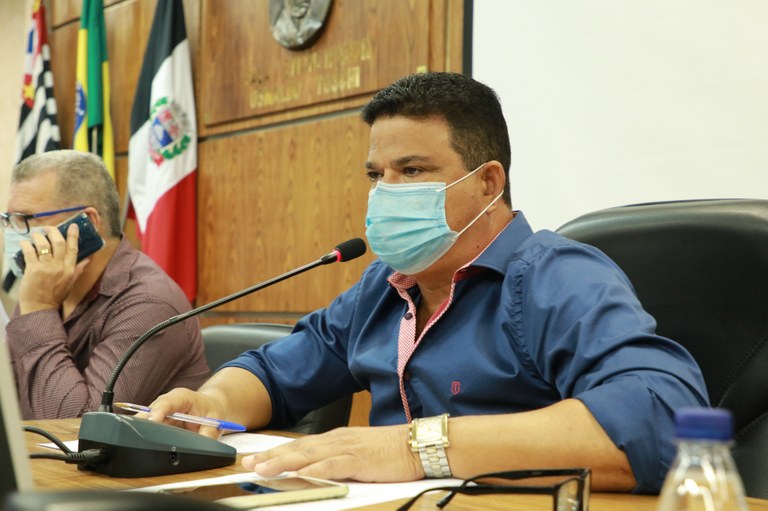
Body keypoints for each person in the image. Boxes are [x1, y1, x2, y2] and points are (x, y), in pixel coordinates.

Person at [149, 72, 708, 493]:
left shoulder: (557, 276)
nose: (385, 193)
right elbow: (276, 373)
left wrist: (415, 448)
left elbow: (663, 419)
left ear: (488, 182)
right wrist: (211, 402)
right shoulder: (385, 286)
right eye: (377, 175)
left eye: (412, 171)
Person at [2, 150, 209, 419]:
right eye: (8, 220)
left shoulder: (149, 303)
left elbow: (79, 425)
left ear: (87, 223)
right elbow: (9, 398)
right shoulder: (49, 282)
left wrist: (38, 308)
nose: (13, 234)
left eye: (26, 219)